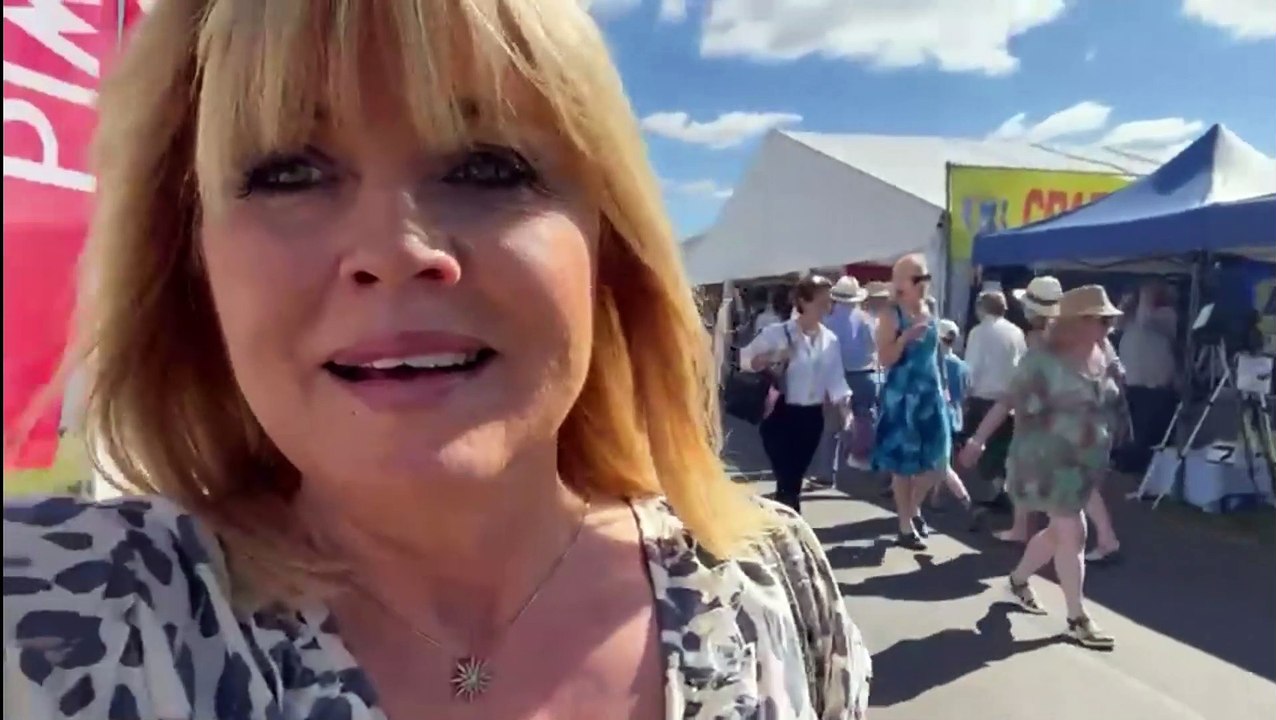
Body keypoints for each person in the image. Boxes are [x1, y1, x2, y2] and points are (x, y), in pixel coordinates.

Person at [2, 3, 872, 718]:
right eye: (289, 173)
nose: (395, 250)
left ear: (608, 244)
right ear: (190, 264)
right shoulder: (71, 620)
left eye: (487, 167)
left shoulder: (771, 583)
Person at [960, 285, 1126, 649]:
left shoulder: (1103, 354)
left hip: (1083, 461)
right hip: (1045, 460)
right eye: (1101, 320)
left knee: (1057, 533)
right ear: (1076, 322)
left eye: (1110, 320)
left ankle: (1018, 580)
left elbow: (1110, 402)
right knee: (1073, 532)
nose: (1108, 326)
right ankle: (1077, 618)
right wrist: (977, 440)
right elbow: (1008, 401)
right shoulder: (1043, 360)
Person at [742, 275, 853, 512]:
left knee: (794, 478)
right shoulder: (777, 333)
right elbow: (745, 360)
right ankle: (791, 518)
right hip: (779, 414)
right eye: (822, 301)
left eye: (829, 301)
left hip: (811, 417)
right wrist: (775, 356)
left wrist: (847, 413)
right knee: (787, 477)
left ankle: (783, 519)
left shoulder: (830, 340)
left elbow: (836, 380)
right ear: (803, 301)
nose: (828, 306)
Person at [872, 254, 951, 550]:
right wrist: (904, 338)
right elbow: (885, 358)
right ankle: (905, 526)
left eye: (926, 277)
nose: (924, 284)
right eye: (918, 279)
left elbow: (937, 353)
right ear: (902, 282)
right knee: (903, 466)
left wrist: (946, 388)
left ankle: (912, 509)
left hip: (930, 395)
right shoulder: (891, 314)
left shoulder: (930, 307)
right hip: (903, 396)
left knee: (939, 462)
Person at [963, 290, 1027, 515]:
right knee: (1002, 449)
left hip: (983, 398)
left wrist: (965, 392)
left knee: (982, 450)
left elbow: (972, 366)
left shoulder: (978, 332)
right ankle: (1004, 494)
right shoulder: (1017, 332)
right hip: (1010, 398)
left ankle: (994, 494)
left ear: (981, 308)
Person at [815, 276, 879, 479]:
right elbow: (874, 346)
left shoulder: (827, 322)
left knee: (831, 427)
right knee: (864, 418)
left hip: (836, 376)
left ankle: (827, 473)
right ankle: (864, 460)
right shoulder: (867, 320)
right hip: (864, 375)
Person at [1115, 281, 1179, 473]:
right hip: (1133, 385)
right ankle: (1132, 467)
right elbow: (1116, 322)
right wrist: (1128, 300)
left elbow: (1146, 318)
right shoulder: (1131, 319)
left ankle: (1151, 472)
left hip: (1155, 387)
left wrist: (1146, 291)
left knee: (1151, 435)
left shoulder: (1166, 315)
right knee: (1135, 432)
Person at [932, 319, 974, 512]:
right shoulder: (962, 366)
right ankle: (935, 495)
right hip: (955, 416)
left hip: (937, 415)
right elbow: (966, 393)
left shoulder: (935, 364)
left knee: (941, 462)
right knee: (944, 457)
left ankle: (964, 500)